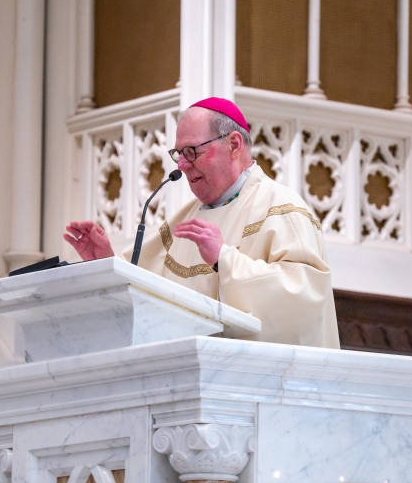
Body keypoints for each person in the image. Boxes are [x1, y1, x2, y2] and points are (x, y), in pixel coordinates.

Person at [64, 98, 339, 349]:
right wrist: (106, 263)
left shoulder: (281, 208)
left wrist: (224, 259)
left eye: (192, 151)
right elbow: (145, 294)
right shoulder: (182, 221)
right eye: (179, 153)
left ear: (233, 144)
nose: (182, 165)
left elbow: (303, 301)